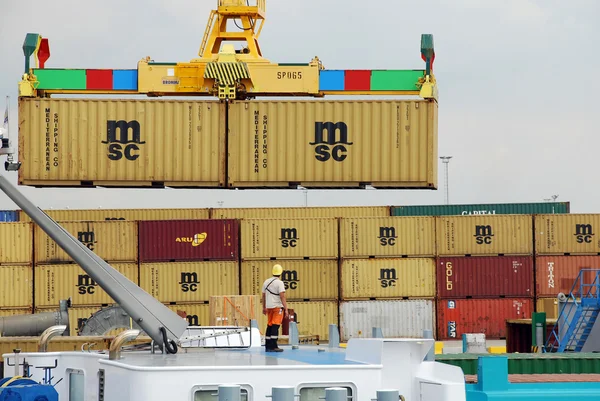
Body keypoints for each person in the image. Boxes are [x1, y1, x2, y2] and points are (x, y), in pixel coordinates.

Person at [261, 263, 288, 352]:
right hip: (277, 307)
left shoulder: (266, 282)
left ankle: (267, 345)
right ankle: (274, 346)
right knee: (275, 326)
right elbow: (282, 296)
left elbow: (263, 296)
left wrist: (264, 307)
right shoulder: (279, 283)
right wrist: (286, 309)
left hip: (269, 307)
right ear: (280, 273)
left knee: (269, 325)